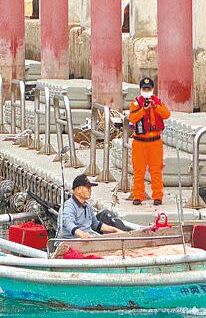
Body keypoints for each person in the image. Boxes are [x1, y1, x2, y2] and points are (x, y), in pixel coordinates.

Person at [127, 77, 170, 206]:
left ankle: (157, 196)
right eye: (144, 89)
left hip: (155, 142)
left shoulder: (158, 102)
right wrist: (144, 110)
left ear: (152, 89)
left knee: (156, 170)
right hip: (139, 142)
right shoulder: (135, 104)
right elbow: (133, 118)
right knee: (138, 171)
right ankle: (138, 196)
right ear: (141, 90)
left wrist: (155, 107)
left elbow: (166, 114)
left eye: (149, 89)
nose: (147, 91)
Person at [59, 174, 124, 240]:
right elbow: (69, 224)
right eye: (88, 188)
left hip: (89, 239)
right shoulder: (69, 206)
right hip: (73, 242)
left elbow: (95, 224)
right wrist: (82, 234)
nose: (90, 190)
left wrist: (115, 230)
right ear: (78, 189)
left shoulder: (88, 206)